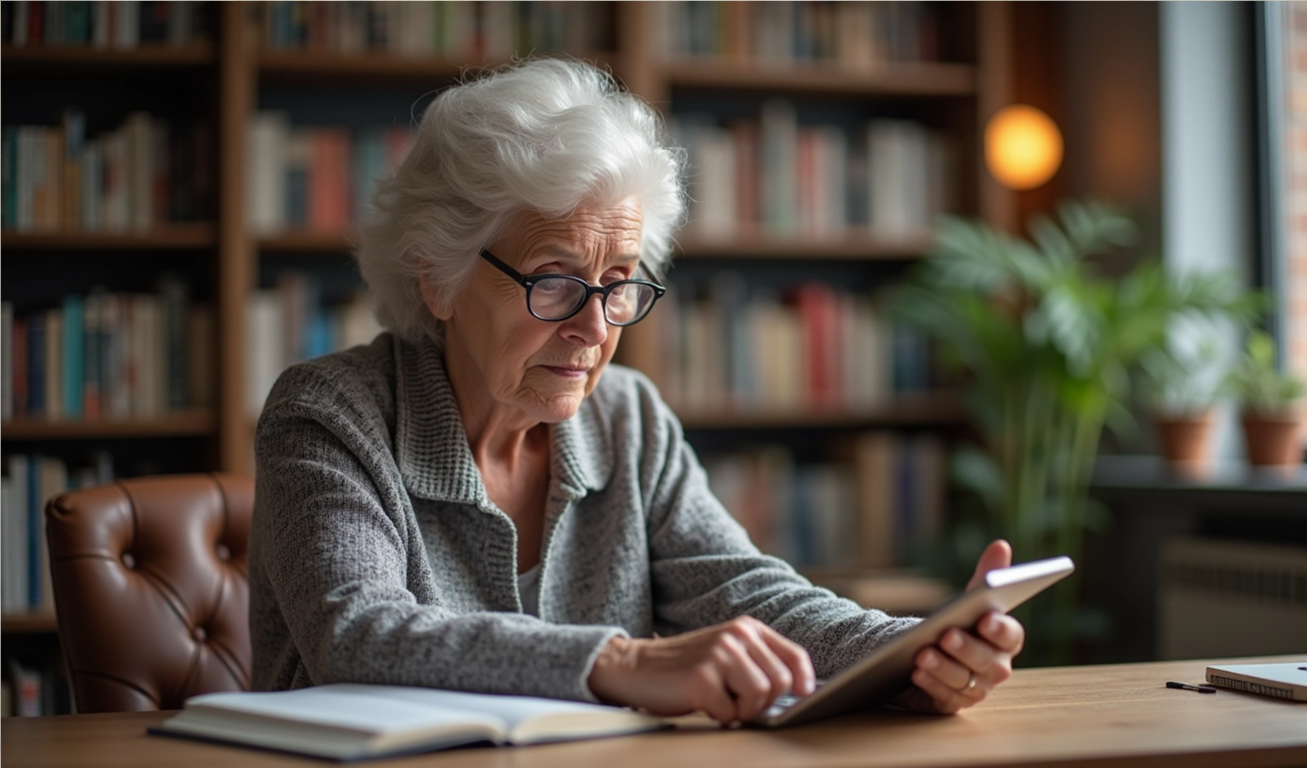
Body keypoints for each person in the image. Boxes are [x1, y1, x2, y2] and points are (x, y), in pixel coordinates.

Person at [249, 58, 1024, 725]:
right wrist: (624, 662)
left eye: (618, 284)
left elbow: (743, 592)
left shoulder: (627, 417)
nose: (595, 327)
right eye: (554, 281)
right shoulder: (328, 414)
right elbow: (358, 632)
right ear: (438, 277)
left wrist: (911, 650)